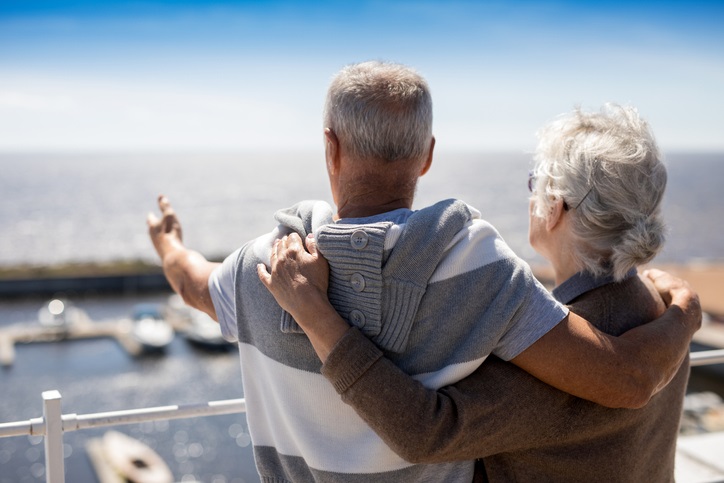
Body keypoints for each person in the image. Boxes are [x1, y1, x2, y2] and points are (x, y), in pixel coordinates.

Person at [148, 61, 699, 482]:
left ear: (330, 149)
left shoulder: (262, 266)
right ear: (427, 155)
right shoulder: (494, 278)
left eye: (536, 188)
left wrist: (170, 246)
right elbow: (626, 369)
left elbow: (424, 429)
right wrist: (683, 314)